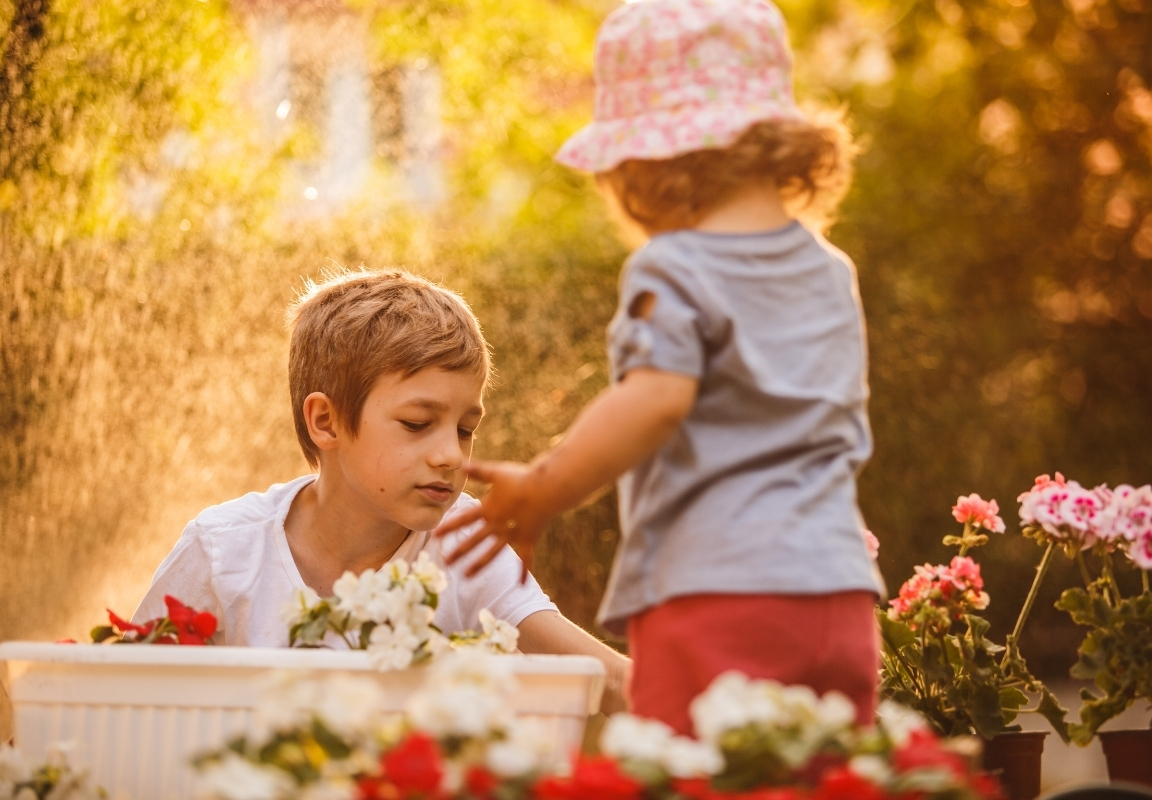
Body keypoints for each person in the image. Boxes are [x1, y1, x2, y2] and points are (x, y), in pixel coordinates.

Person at [435, 0, 883, 735]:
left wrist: (543, 487)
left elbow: (657, 400)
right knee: (822, 775)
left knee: (688, 771)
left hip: (719, 596)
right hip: (837, 595)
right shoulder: (831, 271)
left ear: (651, 167)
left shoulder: (673, 265)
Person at [133, 269, 628, 713]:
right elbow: (129, 694)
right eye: (417, 424)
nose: (451, 456)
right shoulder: (222, 551)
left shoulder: (463, 543)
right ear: (326, 422)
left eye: (465, 430)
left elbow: (600, 677)